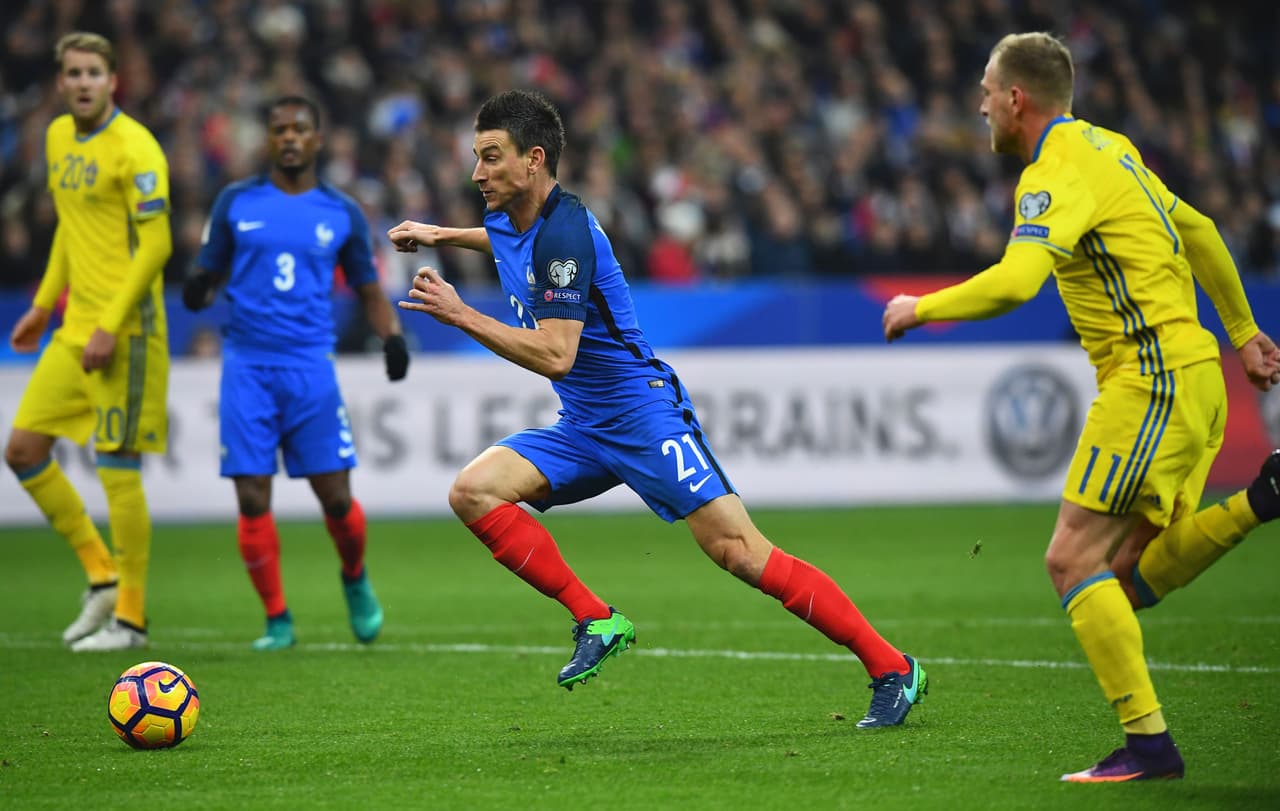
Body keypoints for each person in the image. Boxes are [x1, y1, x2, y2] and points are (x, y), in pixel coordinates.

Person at [387, 89, 926, 727]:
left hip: (641, 416)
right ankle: (595, 617)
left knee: (740, 552)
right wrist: (440, 235)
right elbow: (499, 241)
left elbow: (557, 355)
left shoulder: (566, 235)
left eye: (491, 158)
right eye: (476, 157)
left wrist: (459, 312)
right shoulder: (511, 217)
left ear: (534, 160)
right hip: (583, 425)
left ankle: (892, 667)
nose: (477, 173)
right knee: (473, 491)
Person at [881, 32, 1280, 781]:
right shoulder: (1112, 147)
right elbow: (1199, 229)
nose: (979, 106)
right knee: (1122, 580)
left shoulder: (1053, 172)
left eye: (985, 92)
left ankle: (1151, 747)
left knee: (1070, 559)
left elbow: (1015, 280)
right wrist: (1244, 331)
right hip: (1196, 377)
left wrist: (919, 307)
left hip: (1148, 379)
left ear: (1016, 99)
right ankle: (1262, 497)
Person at [181, 96, 410, 651]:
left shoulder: (342, 212)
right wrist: (196, 285)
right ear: (268, 138)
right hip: (248, 364)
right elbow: (207, 271)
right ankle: (277, 619)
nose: (288, 137)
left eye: (299, 129)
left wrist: (393, 337)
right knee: (253, 498)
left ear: (317, 139)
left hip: (310, 364)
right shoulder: (236, 201)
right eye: (279, 129)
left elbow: (368, 288)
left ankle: (354, 577)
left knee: (335, 497)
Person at [4, 32, 172, 652]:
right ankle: (101, 574)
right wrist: (44, 306)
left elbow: (157, 245)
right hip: (75, 331)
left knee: (116, 466)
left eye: (93, 72)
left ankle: (130, 620)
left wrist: (109, 324)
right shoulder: (55, 138)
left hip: (126, 332)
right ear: (60, 81)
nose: (81, 82)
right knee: (22, 450)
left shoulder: (136, 147)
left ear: (112, 81)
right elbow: (71, 235)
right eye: (72, 72)